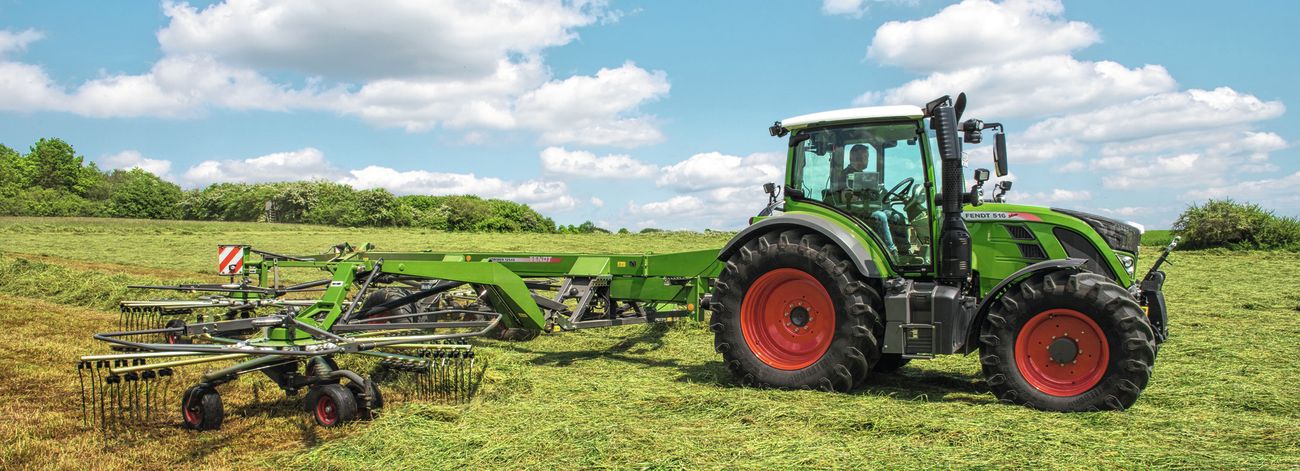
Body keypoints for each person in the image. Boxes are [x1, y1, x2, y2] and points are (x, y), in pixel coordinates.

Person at [843, 144, 897, 255]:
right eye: (865, 157)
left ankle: (904, 251)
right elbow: (845, 198)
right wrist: (859, 192)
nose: (867, 160)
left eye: (867, 157)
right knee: (881, 216)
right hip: (853, 211)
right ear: (854, 157)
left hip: (867, 208)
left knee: (896, 216)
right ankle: (891, 252)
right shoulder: (845, 175)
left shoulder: (863, 176)